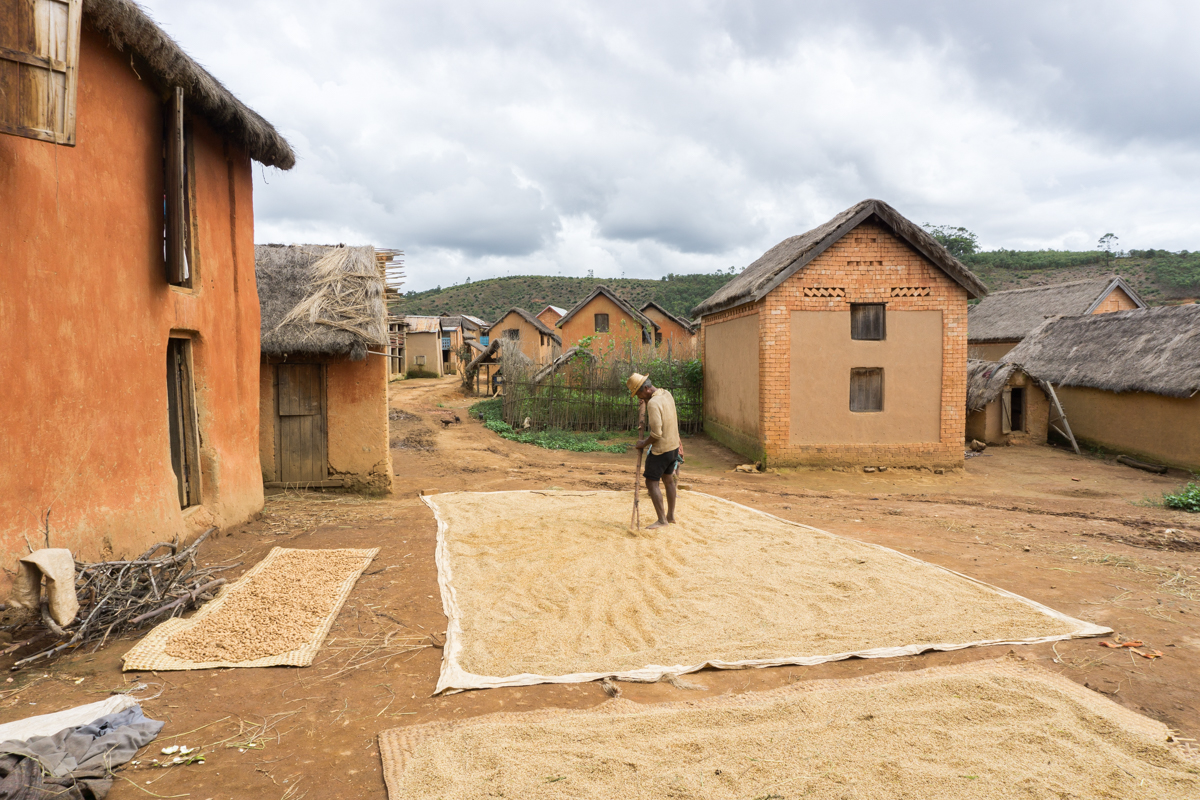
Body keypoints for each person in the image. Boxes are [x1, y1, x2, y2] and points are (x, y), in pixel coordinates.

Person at [627, 372, 682, 529]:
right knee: (668, 479)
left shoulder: (653, 403)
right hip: (673, 447)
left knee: (651, 482)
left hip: (661, 450)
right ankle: (670, 516)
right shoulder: (666, 394)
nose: (639, 398)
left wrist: (643, 443)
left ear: (646, 388)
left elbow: (656, 433)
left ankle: (662, 520)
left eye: (639, 394)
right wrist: (646, 401)